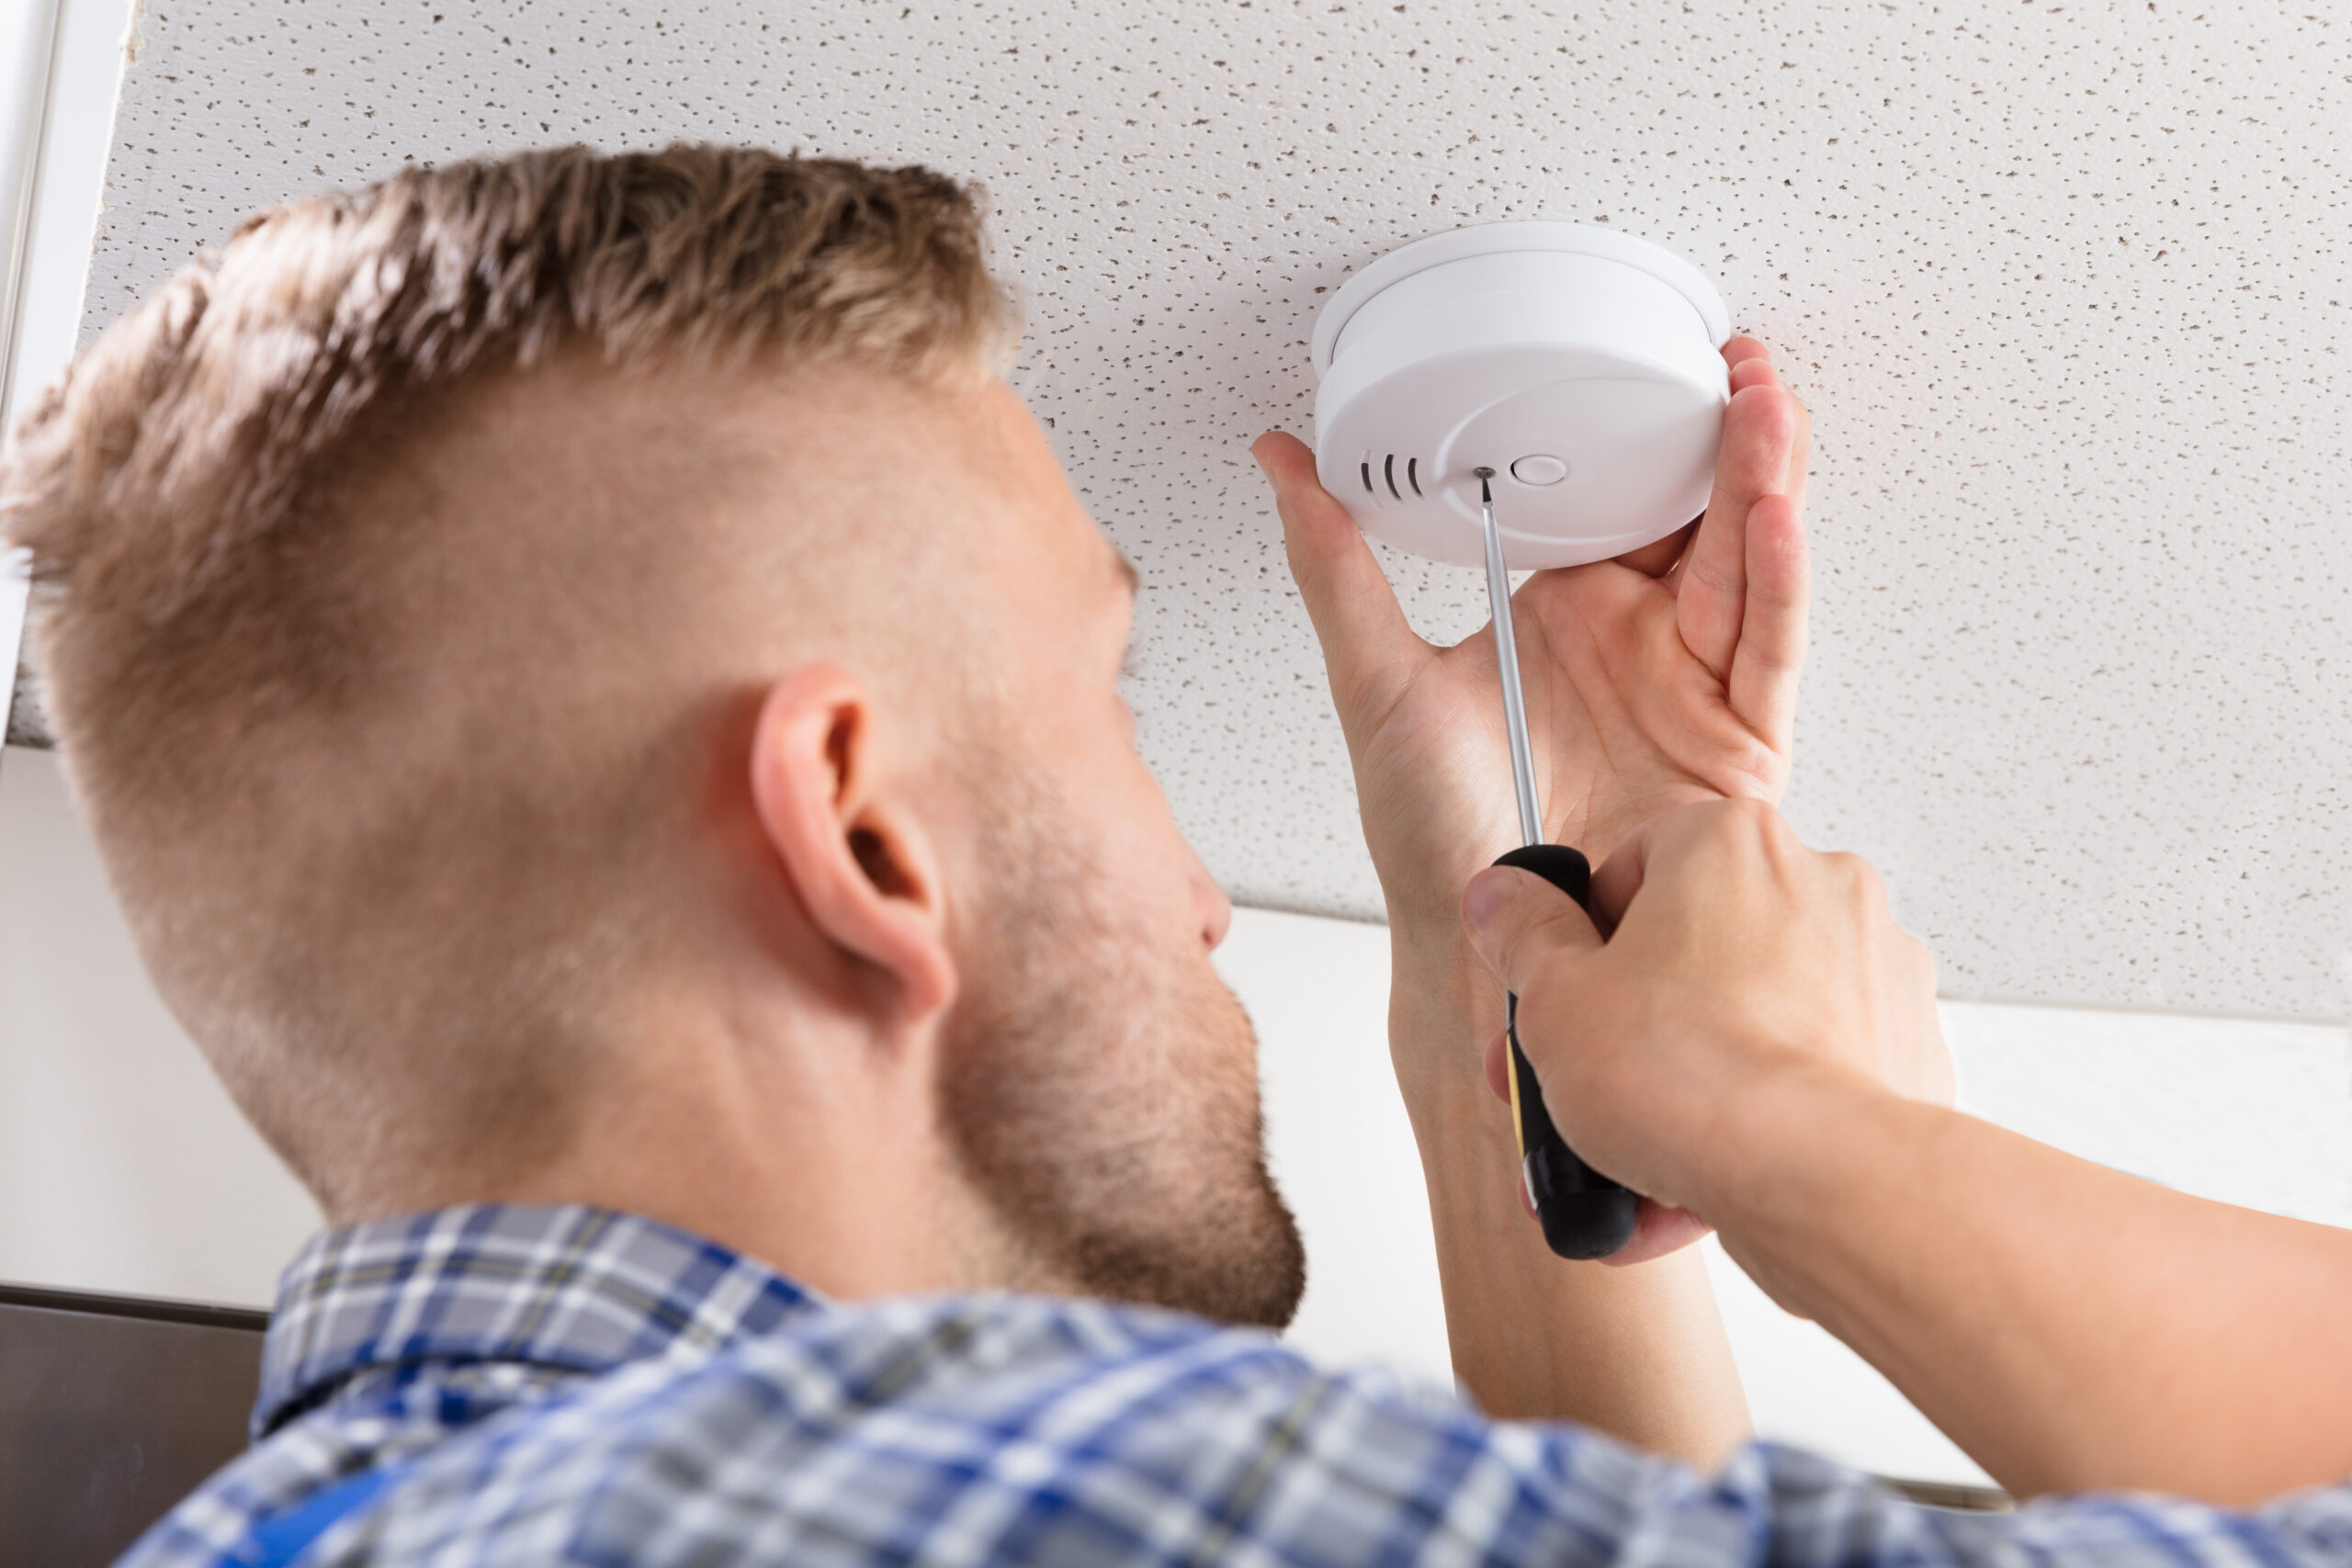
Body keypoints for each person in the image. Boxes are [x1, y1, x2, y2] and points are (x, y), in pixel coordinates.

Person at [0, 144, 2341, 1568]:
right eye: (1106, 702)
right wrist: (1817, 1136)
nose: (1211, 888)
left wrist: (1502, 957)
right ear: (862, 832)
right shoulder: (944, 1491)